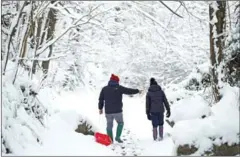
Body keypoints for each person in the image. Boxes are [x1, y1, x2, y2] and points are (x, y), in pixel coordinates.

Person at [98, 74, 142, 143]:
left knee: (109, 126)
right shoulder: (119, 88)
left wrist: (100, 108)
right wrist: (138, 91)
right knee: (120, 123)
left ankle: (110, 140)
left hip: (108, 111)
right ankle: (117, 137)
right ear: (116, 81)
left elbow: (101, 99)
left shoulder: (104, 89)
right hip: (118, 111)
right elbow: (129, 91)